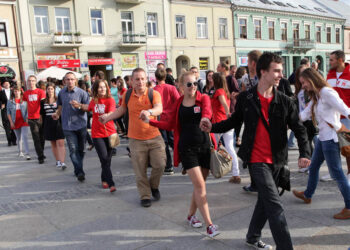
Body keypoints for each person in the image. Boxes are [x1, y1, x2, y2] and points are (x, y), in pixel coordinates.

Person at [200, 52, 311, 249]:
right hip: (256, 160)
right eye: (276, 71)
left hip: (277, 161)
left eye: (281, 71)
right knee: (275, 206)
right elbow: (233, 122)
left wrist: (304, 153)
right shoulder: (247, 98)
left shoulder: (285, 101)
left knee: (265, 202)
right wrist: (212, 127)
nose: (280, 75)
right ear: (263, 72)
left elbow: (299, 129)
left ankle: (252, 237)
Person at [143, 71, 219, 237]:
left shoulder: (203, 98)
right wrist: (151, 121)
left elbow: (207, 112)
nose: (193, 87)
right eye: (189, 84)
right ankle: (209, 225)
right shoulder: (178, 103)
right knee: (200, 185)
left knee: (200, 186)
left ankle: (191, 216)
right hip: (187, 149)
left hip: (205, 147)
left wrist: (205, 119)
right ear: (181, 86)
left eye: (195, 83)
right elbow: (169, 124)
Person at [99, 68, 166, 208]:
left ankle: (154, 186)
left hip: (154, 136)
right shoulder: (128, 94)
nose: (140, 81)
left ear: (146, 79)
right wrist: (108, 117)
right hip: (135, 139)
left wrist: (149, 112)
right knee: (139, 170)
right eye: (137, 79)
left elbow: (159, 108)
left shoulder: (154, 93)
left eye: (142, 78)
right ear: (132, 81)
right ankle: (145, 195)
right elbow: (122, 109)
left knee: (160, 165)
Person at [293, 67, 350, 220]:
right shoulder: (317, 95)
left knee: (337, 174)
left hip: (331, 139)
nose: (303, 86)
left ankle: (349, 207)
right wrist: (288, 120)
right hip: (322, 138)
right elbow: (304, 114)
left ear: (311, 79)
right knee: (314, 166)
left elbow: (346, 109)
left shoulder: (326, 93)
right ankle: (307, 194)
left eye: (304, 82)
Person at [71, 80, 117, 192]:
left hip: (110, 133)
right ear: (96, 89)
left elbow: (112, 112)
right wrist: (79, 105)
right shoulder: (94, 100)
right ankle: (111, 183)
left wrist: (106, 115)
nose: (102, 89)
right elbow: (89, 108)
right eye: (100, 87)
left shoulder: (110, 100)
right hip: (97, 134)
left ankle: (103, 179)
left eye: (104, 87)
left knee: (107, 160)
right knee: (104, 159)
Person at [52, 72, 90, 182]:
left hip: (81, 125)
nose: (70, 81)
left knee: (81, 150)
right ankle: (80, 172)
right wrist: (57, 114)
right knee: (73, 150)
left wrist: (79, 106)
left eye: (72, 79)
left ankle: (78, 168)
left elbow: (88, 108)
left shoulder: (82, 93)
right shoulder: (61, 93)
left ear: (75, 80)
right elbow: (60, 106)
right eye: (67, 79)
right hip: (67, 126)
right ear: (64, 81)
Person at [211, 73, 240, 184]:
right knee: (230, 148)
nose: (211, 81)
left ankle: (214, 169)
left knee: (213, 147)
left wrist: (228, 113)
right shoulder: (225, 91)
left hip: (219, 123)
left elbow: (224, 103)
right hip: (226, 123)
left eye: (213, 79)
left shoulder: (219, 91)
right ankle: (235, 174)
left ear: (216, 81)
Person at [326, 50, 350, 183]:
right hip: (332, 117)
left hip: (346, 117)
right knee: (331, 145)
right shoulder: (330, 74)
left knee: (347, 147)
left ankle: (349, 173)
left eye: (331, 60)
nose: (329, 62)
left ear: (340, 60)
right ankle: (335, 172)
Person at [153, 68, 180, 175]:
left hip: (161, 119)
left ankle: (169, 166)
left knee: (164, 143)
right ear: (165, 77)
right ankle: (185, 162)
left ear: (155, 78)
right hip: (172, 117)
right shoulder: (172, 88)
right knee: (173, 141)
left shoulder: (154, 90)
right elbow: (178, 101)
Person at [40, 83, 66, 169]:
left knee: (61, 142)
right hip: (48, 122)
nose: (50, 90)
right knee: (53, 143)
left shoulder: (58, 99)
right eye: (48, 89)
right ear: (46, 90)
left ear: (54, 90)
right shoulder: (43, 101)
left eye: (51, 89)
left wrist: (59, 115)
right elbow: (42, 114)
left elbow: (62, 110)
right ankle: (58, 161)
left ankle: (63, 162)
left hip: (58, 122)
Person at [23, 75, 46, 164]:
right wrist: (25, 115)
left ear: (35, 82)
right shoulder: (26, 93)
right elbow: (24, 106)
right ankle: (40, 156)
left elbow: (43, 105)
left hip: (40, 117)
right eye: (29, 81)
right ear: (27, 82)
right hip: (31, 118)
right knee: (36, 138)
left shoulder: (40, 92)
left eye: (32, 81)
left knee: (42, 137)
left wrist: (41, 115)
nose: (31, 82)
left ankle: (41, 152)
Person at [7, 85, 30, 160]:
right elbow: (8, 113)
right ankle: (20, 151)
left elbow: (28, 110)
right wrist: (11, 122)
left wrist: (27, 117)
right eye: (15, 91)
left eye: (18, 91)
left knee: (25, 136)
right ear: (13, 92)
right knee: (18, 138)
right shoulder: (10, 101)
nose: (17, 92)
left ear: (21, 92)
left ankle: (27, 153)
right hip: (15, 121)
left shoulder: (24, 100)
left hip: (23, 121)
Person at [0, 80, 17, 146]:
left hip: (12, 110)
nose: (7, 84)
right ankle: (9, 141)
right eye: (5, 83)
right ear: (3, 85)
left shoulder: (13, 91)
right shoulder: (1, 92)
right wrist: (1, 104)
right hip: (4, 110)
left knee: (13, 124)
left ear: (9, 84)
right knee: (7, 126)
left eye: (8, 83)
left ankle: (14, 140)